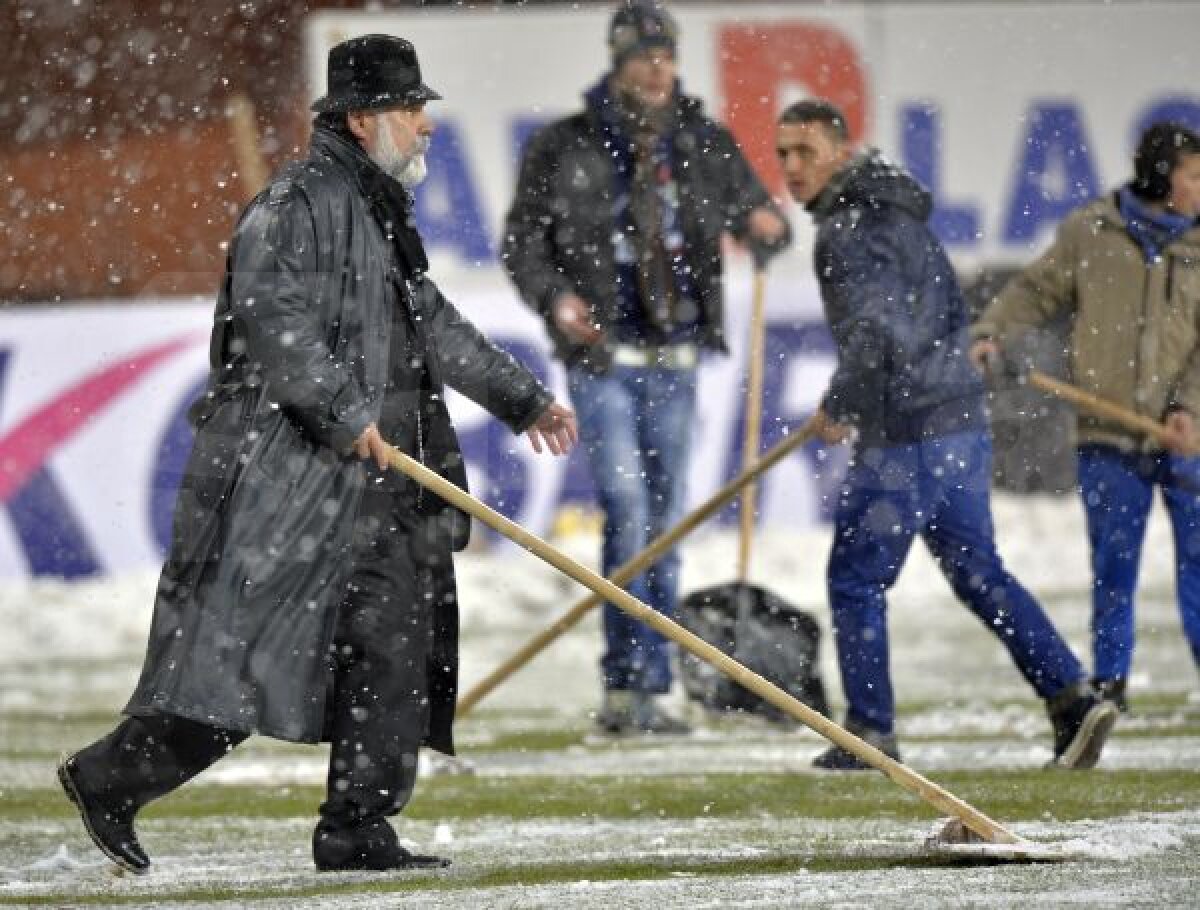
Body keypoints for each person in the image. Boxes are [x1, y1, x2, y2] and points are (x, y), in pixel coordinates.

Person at [57, 34, 577, 875]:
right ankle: (111, 777)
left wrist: (522, 399)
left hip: (371, 488)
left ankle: (358, 827)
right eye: (413, 109)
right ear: (367, 119)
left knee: (395, 647)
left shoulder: (376, 210)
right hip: (288, 481)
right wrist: (342, 411)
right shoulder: (292, 204)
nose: (427, 126)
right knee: (242, 663)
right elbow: (276, 321)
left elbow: (431, 323)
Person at [775, 99, 1117, 770]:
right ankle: (1072, 697)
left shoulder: (849, 226)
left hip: (905, 434)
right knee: (979, 573)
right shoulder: (898, 211)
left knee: (855, 579)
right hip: (958, 420)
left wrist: (841, 403)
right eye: (783, 152)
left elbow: (876, 331)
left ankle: (868, 732)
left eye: (805, 151)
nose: (791, 167)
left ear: (841, 153)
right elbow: (933, 314)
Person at [502, 1, 790, 735]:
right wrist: (556, 298)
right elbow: (522, 244)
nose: (658, 69)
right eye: (643, 57)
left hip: (679, 356)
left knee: (666, 521)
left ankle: (653, 683)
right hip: (604, 358)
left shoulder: (703, 141)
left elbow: (758, 213)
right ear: (617, 62)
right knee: (629, 515)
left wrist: (767, 225)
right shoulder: (563, 146)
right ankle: (627, 684)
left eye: (666, 56)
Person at [971, 122, 1200, 712]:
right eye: (1194, 176)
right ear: (1159, 174)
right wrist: (994, 330)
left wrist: (1188, 409)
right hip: (1107, 434)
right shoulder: (1091, 231)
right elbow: (1037, 290)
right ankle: (1111, 681)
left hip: (1187, 438)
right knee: (1112, 567)